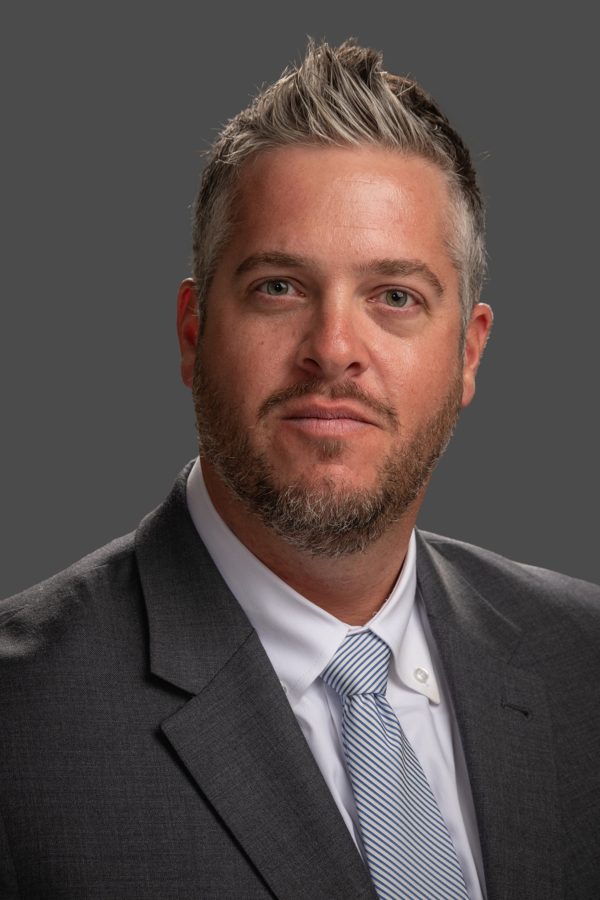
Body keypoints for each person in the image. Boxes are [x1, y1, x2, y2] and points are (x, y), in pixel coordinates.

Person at [1, 39, 598, 900]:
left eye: (396, 296)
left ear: (469, 354)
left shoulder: (585, 664)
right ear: (193, 332)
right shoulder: (20, 722)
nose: (333, 351)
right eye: (280, 287)